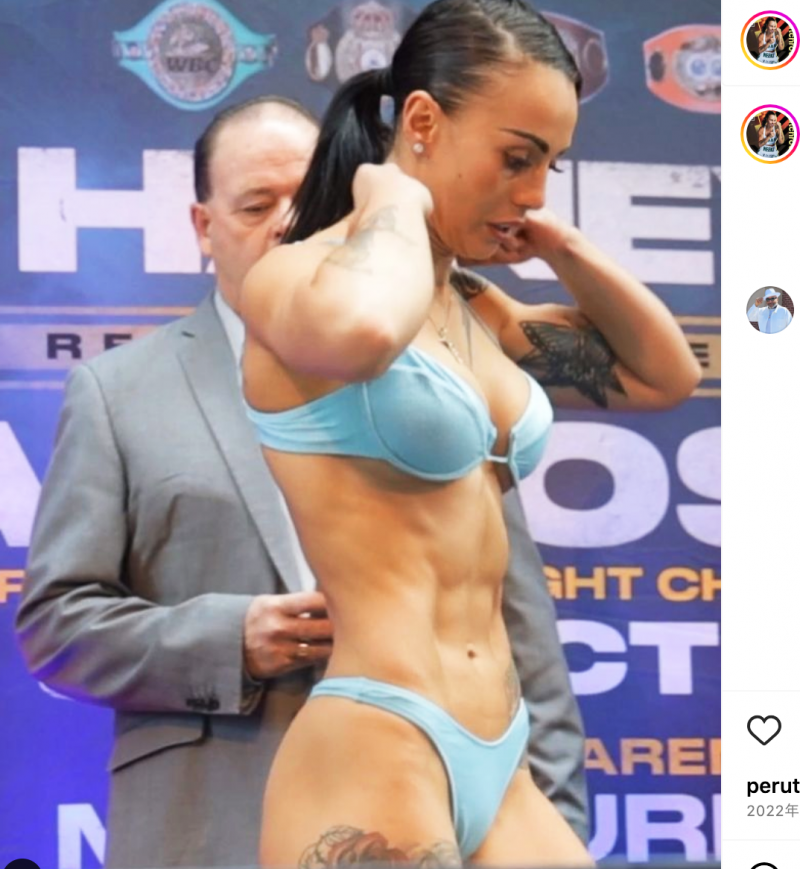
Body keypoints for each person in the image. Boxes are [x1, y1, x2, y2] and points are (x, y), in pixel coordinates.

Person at [14, 95, 589, 867]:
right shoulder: (118, 391)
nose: (288, 221)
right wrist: (230, 640)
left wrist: (557, 815)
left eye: (310, 194)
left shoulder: (430, 365)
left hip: (444, 816)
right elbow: (55, 624)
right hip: (210, 829)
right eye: (256, 205)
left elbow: (517, 625)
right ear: (203, 226)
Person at [240, 0, 702, 865]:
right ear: (421, 123)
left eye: (552, 164)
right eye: (517, 158)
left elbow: (663, 375)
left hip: (500, 750)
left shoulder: (477, 310)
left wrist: (558, 243)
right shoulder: (292, 280)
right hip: (377, 739)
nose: (533, 190)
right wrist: (390, 197)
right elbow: (366, 330)